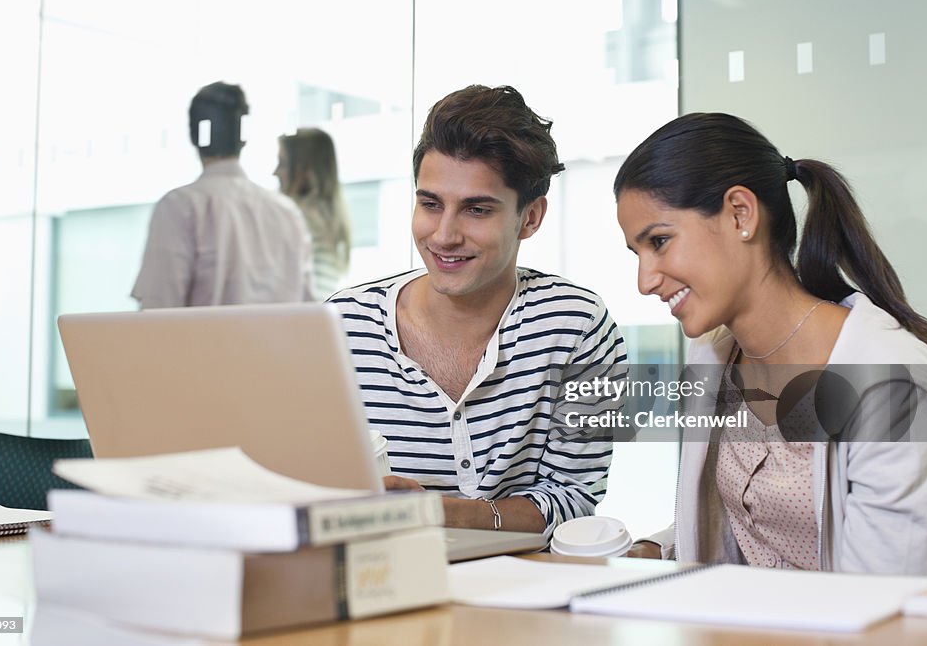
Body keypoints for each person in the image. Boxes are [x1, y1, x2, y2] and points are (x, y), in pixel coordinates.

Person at [614, 112, 927, 574]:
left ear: (741, 213)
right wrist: (655, 550)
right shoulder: (719, 355)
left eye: (659, 241)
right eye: (636, 253)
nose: (645, 281)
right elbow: (757, 525)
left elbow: (879, 607)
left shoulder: (889, 381)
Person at [328, 85, 627, 534]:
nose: (444, 235)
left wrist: (445, 516)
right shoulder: (342, 326)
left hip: (526, 591)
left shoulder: (578, 327)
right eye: (430, 204)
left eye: (476, 210)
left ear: (530, 218)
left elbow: (574, 499)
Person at [132, 82, 313, 308]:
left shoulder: (180, 206)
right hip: (278, 344)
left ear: (194, 136)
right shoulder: (287, 212)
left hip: (203, 344)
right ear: (243, 137)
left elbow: (159, 308)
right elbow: (307, 307)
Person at [276, 128, 351, 299]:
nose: (276, 172)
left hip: (300, 319)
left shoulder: (294, 215)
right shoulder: (330, 218)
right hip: (320, 319)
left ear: (304, 170)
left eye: (282, 163)